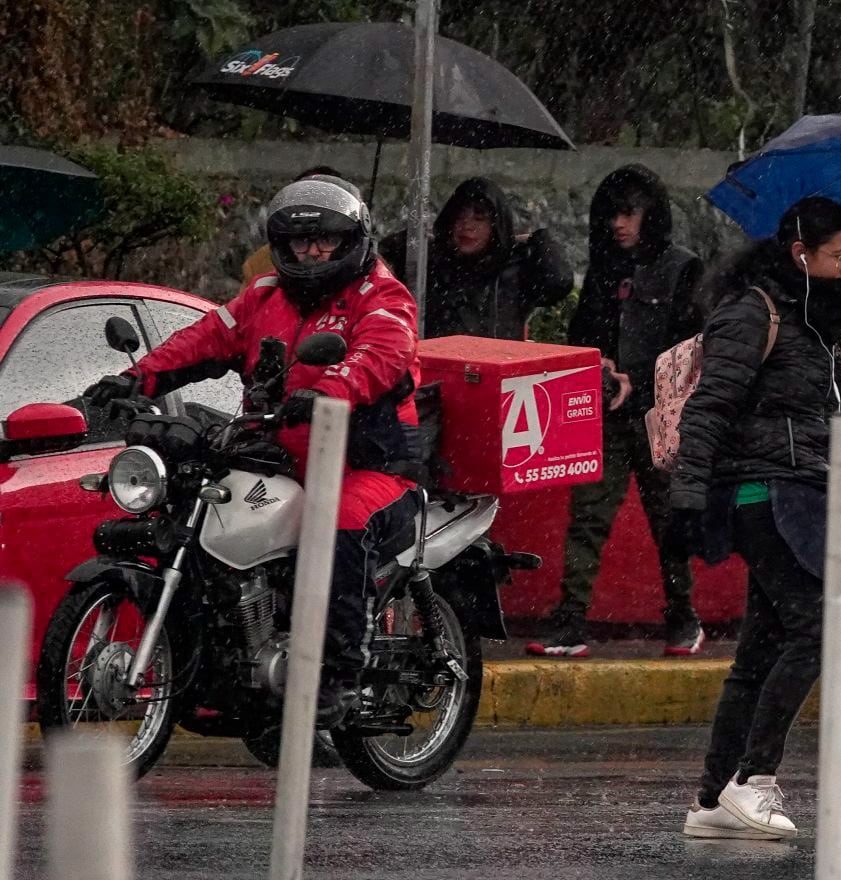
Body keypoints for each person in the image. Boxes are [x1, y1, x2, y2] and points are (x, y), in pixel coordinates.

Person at [87, 175, 425, 726]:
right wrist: (137, 377)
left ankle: (339, 676)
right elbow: (204, 339)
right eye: (298, 242)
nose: (311, 253)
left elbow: (381, 356)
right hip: (279, 457)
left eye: (325, 241)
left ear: (351, 241)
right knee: (203, 509)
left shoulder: (382, 296)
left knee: (338, 520)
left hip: (368, 465)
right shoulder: (265, 295)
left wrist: (328, 391)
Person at [674, 196, 841, 840]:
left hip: (800, 491)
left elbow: (827, 408)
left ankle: (711, 800)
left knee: (760, 651)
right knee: (816, 630)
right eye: (840, 256)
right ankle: (752, 779)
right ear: (800, 254)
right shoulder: (755, 312)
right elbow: (709, 406)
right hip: (762, 495)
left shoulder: (813, 322)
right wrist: (689, 494)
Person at [527, 165, 706, 658]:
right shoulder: (604, 269)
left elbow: (692, 348)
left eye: (629, 214)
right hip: (606, 414)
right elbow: (582, 334)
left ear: (651, 215)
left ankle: (682, 615)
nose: (618, 225)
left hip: (660, 418)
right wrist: (599, 364)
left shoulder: (682, 268)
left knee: (668, 521)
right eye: (612, 215)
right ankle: (571, 621)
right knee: (588, 518)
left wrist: (638, 379)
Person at [377, 176, 573, 340]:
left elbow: (559, 282)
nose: (467, 226)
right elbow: (379, 263)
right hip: (436, 365)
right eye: (460, 217)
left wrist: (539, 238)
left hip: (498, 366)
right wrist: (413, 237)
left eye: (479, 219)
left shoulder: (513, 265)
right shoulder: (431, 260)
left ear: (495, 225)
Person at [241, 166, 350, 285]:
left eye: (328, 240)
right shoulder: (259, 265)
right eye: (300, 241)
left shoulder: (362, 266)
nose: (313, 252)